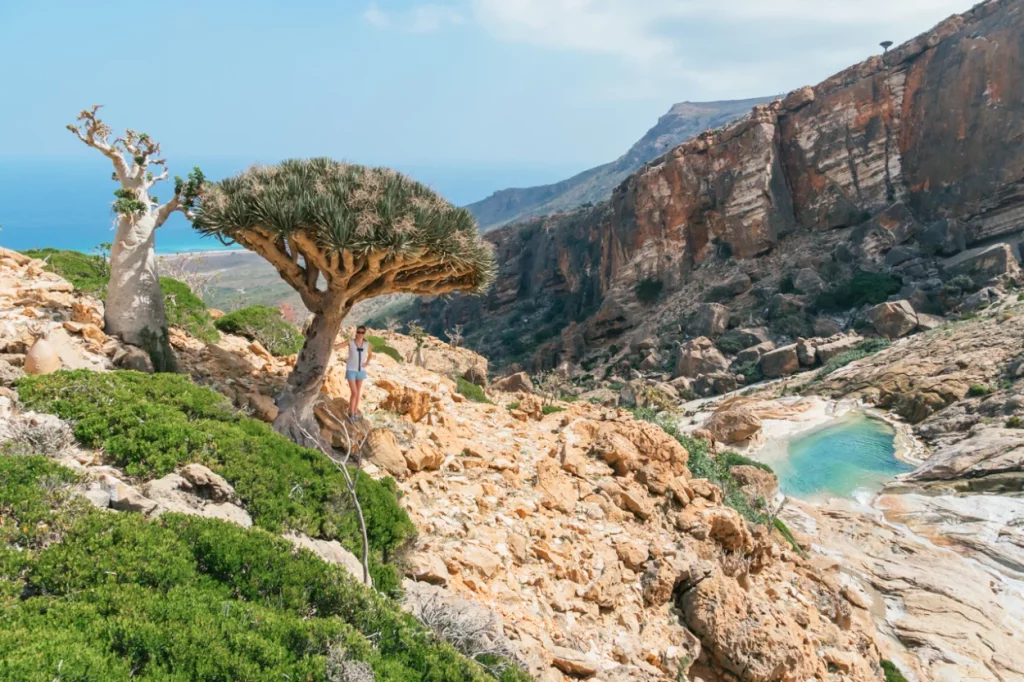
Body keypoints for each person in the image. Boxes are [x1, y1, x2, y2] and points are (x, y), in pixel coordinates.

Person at [345, 325, 373, 421]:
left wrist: (366, 363)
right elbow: (337, 346)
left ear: (364, 334)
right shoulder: (350, 342)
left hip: (361, 371)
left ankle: (355, 411)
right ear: (356, 332)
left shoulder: (366, 344)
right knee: (354, 393)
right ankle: (351, 415)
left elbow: (370, 355)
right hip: (351, 370)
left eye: (362, 332)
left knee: (358, 393)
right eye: (359, 332)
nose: (360, 334)